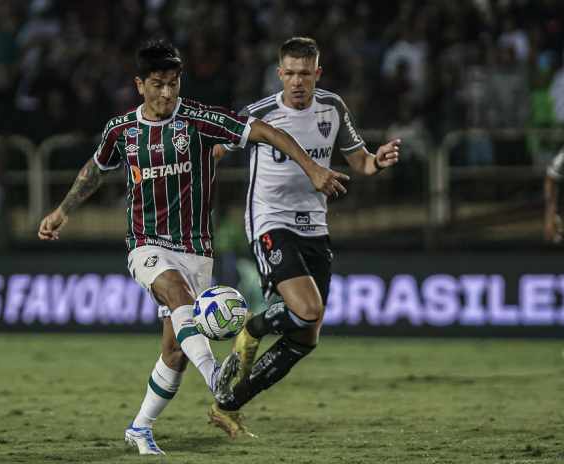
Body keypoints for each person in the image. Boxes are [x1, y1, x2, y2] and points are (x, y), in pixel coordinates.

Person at [37, 39, 350, 455]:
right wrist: (62, 210)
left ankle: (139, 427)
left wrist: (311, 166)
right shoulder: (121, 130)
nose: (166, 93)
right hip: (146, 244)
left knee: (174, 350)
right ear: (139, 85)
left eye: (172, 83)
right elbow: (96, 168)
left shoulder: (201, 121)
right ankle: (216, 375)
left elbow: (265, 131)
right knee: (177, 295)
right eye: (157, 84)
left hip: (196, 250)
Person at [208, 37, 401, 438]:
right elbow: (216, 151)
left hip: (315, 226)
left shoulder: (332, 107)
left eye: (305, 74)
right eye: (290, 74)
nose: (298, 82)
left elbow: (360, 161)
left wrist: (377, 163)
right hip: (269, 222)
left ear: (318, 73)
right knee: (309, 309)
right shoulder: (259, 113)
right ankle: (253, 327)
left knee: (306, 336)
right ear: (280, 74)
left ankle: (228, 404)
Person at [544, 147, 564, 243]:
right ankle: (552, 236)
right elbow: (551, 178)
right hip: (555, 180)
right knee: (553, 206)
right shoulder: (562, 157)